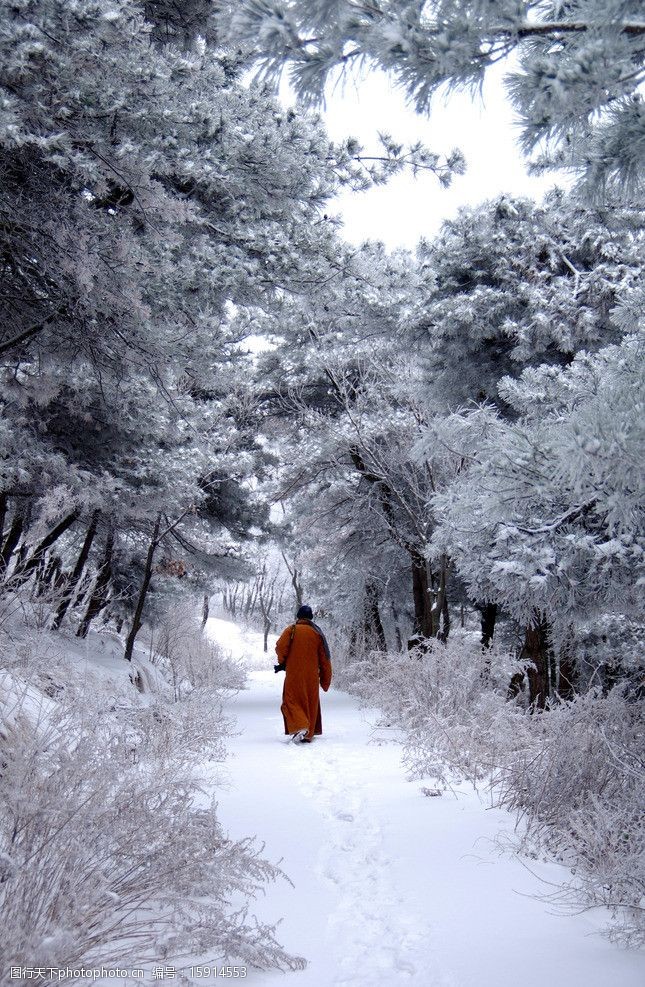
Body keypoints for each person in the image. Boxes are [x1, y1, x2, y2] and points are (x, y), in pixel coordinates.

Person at [275, 604, 332, 743]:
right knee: (310, 702)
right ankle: (308, 734)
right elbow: (325, 658)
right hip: (312, 675)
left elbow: (280, 647)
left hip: (294, 673)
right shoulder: (317, 633)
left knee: (291, 700)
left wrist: (283, 662)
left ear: (298, 616)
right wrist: (325, 679)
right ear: (311, 617)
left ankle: (300, 726)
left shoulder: (291, 630)